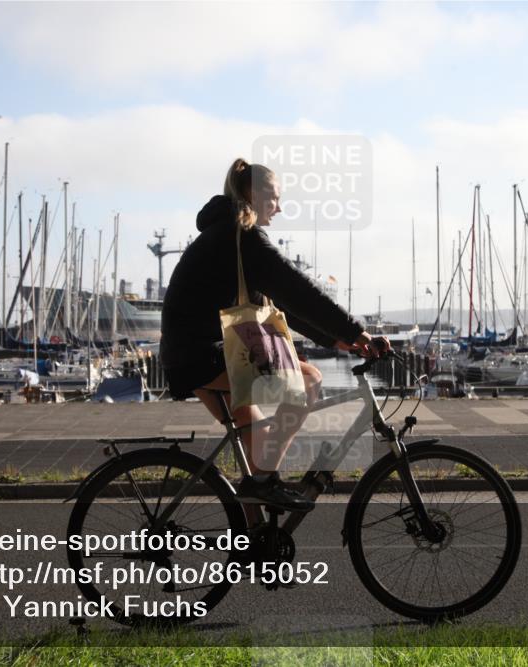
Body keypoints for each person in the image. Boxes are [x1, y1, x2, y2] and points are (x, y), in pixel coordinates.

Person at [161, 158, 388, 512]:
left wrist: (336, 339)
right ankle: (265, 483)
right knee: (310, 380)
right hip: (201, 353)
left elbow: (282, 303)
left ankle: (252, 548)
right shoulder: (244, 235)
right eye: (275, 198)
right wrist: (356, 331)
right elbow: (298, 289)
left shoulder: (228, 234)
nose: (279, 208)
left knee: (258, 452)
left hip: (188, 354)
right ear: (253, 193)